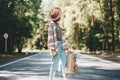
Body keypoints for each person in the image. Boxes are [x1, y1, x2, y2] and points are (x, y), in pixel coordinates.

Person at [47, 7, 68, 80]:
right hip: (56, 46)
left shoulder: (58, 25)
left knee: (64, 63)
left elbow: (61, 37)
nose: (60, 17)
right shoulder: (51, 25)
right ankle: (51, 79)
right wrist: (52, 49)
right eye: (59, 16)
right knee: (54, 64)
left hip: (62, 45)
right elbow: (50, 38)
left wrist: (65, 45)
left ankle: (65, 78)